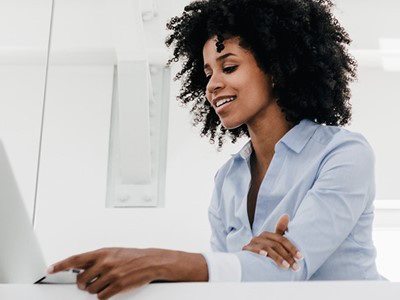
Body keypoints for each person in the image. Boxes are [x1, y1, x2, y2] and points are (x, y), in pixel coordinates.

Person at [47, 0, 386, 299]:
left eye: (229, 67)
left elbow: (285, 271)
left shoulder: (343, 154)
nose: (212, 86)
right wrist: (246, 263)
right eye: (208, 73)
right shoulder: (229, 180)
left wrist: (156, 261)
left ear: (277, 69)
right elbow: (230, 286)